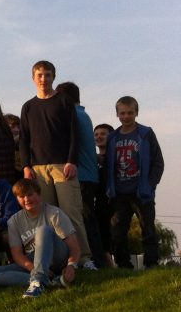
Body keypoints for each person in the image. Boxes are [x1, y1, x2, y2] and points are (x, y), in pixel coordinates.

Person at [18, 60, 93, 267]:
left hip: (63, 166)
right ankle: (54, 261)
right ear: (33, 78)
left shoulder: (64, 102)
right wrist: (26, 166)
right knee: (47, 218)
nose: (44, 79)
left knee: (71, 213)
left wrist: (71, 160)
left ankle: (84, 258)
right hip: (38, 169)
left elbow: (73, 134)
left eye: (48, 75)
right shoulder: (28, 107)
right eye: (40, 75)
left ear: (53, 77)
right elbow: (24, 139)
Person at [0, 178, 80, 298]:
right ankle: (50, 281)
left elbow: (74, 247)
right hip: (33, 261)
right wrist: (33, 268)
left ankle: (37, 282)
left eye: (30, 194)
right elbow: (17, 254)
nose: (26, 199)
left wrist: (71, 266)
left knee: (43, 230)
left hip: (57, 257)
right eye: (21, 196)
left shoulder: (54, 214)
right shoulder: (14, 221)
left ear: (39, 194)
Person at [106, 96, 165, 269]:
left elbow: (158, 162)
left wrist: (150, 184)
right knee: (117, 231)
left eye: (130, 113)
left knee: (147, 229)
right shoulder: (113, 138)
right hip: (119, 193)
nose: (126, 116)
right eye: (122, 113)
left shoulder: (146, 133)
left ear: (136, 112)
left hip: (141, 192)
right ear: (117, 114)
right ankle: (124, 266)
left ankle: (151, 263)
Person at [55, 81, 102, 270]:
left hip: (79, 176)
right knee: (88, 220)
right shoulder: (84, 115)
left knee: (82, 221)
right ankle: (96, 258)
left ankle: (92, 260)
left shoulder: (72, 115)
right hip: (89, 175)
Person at [93, 123, 115, 267]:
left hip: (114, 200)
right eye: (96, 134)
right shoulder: (92, 159)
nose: (99, 137)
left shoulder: (115, 158)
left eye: (103, 134)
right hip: (99, 201)